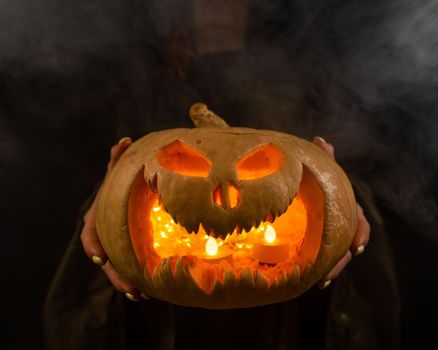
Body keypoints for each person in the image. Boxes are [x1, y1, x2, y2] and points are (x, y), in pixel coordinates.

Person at [43, 1, 400, 349]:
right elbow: (129, 173)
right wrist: (106, 201)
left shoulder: (306, 69)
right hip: (160, 318)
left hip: (290, 318)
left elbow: (341, 170)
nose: (215, 7)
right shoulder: (141, 73)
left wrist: (343, 198)